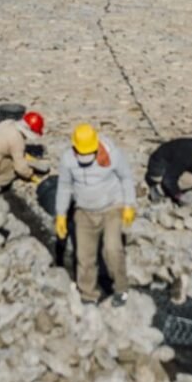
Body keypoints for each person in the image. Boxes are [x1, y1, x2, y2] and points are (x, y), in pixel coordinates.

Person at [54, 123, 137, 307]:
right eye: (80, 152)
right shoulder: (68, 159)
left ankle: (121, 289)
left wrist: (129, 204)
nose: (84, 156)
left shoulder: (112, 154)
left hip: (111, 208)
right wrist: (60, 214)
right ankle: (88, 294)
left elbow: (126, 177)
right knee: (84, 256)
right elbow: (65, 186)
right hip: (84, 212)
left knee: (112, 249)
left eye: (88, 152)